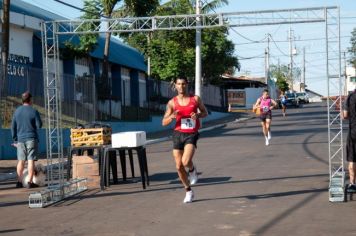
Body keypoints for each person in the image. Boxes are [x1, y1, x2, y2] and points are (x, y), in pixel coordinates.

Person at [162, 76, 208, 203]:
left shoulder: (195, 99)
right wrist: (171, 117)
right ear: (175, 86)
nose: (181, 86)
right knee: (178, 166)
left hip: (191, 133)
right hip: (178, 134)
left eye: (183, 84)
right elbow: (163, 122)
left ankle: (192, 170)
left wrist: (198, 114)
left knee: (186, 161)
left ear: (187, 85)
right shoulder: (172, 102)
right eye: (178, 84)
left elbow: (205, 113)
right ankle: (188, 191)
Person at [11, 92, 42, 188]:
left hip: (20, 140)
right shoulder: (34, 111)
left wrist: (15, 139)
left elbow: (13, 127)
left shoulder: (17, 111)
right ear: (30, 100)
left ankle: (19, 182)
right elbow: (39, 125)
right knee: (31, 160)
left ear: (22, 100)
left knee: (21, 161)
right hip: (31, 138)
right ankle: (30, 182)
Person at [343, 90, 356, 191]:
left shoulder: (350, 97)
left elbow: (345, 115)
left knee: (352, 159)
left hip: (353, 132)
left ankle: (352, 184)